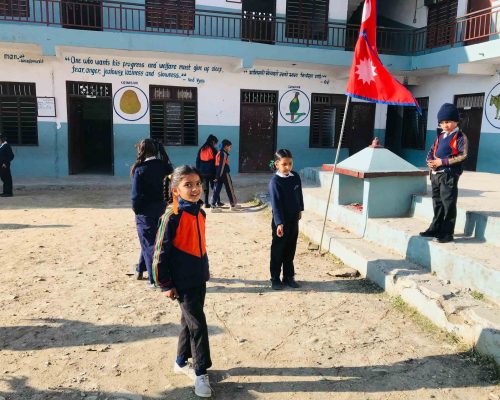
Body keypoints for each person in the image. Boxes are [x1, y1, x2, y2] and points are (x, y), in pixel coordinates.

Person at [152, 165, 213, 398]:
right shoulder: (171, 216)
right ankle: (200, 372)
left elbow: (199, 246)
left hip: (199, 277)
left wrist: (204, 269)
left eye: (197, 183)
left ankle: (180, 361)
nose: (195, 188)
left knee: (189, 322)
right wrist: (165, 284)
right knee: (198, 325)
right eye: (188, 185)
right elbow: (159, 253)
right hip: (182, 282)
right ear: (176, 190)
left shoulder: (200, 212)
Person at [420, 103, 468, 243]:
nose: (445, 125)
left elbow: (462, 155)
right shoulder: (440, 136)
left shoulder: (460, 136)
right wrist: (429, 161)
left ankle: (447, 233)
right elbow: (432, 151)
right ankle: (436, 228)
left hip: (449, 175)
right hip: (436, 174)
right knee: (438, 203)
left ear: (456, 121)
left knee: (448, 204)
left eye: (448, 122)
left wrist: (443, 162)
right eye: (442, 122)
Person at [131, 138, 174, 287]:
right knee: (151, 240)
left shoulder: (140, 169)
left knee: (149, 242)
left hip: (145, 211)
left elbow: (136, 195)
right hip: (162, 209)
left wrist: (136, 210)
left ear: (141, 150)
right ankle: (141, 268)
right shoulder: (166, 167)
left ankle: (154, 278)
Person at [268, 149, 304, 290]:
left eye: (290, 163)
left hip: (293, 219)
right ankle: (275, 278)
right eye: (284, 164)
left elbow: (299, 194)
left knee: (290, 249)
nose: (288, 167)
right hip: (281, 223)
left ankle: (289, 277)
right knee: (278, 251)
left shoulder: (295, 177)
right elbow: (276, 205)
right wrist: (279, 224)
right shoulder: (275, 182)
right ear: (277, 164)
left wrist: (300, 209)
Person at [209, 139, 239, 212]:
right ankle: (233, 205)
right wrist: (218, 176)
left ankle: (212, 205)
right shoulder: (224, 154)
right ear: (226, 146)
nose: (230, 148)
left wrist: (217, 176)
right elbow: (221, 166)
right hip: (224, 174)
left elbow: (218, 166)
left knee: (216, 189)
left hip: (218, 173)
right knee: (229, 188)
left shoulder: (219, 152)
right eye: (230, 147)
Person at [196, 134, 218, 208]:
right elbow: (217, 162)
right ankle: (216, 201)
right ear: (212, 141)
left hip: (202, 172)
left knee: (205, 188)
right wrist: (217, 172)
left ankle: (206, 203)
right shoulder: (213, 150)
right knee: (214, 187)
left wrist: (198, 171)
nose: (215, 145)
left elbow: (197, 161)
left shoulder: (201, 149)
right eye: (215, 143)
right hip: (211, 171)